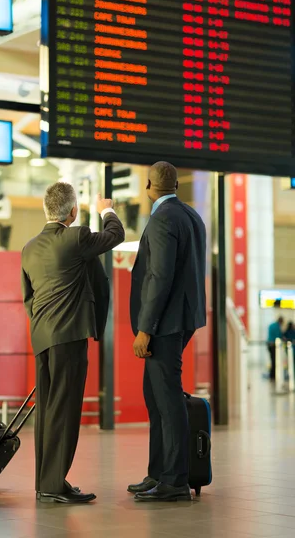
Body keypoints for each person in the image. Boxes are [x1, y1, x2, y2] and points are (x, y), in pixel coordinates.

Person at [21, 182, 125, 504]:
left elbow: (28, 299)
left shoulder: (28, 248)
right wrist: (106, 209)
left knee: (48, 412)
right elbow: (115, 235)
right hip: (69, 336)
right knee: (65, 412)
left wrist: (43, 326)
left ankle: (46, 481)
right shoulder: (76, 237)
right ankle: (53, 484)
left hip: (42, 338)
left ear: (46, 210)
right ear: (73, 211)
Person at [128, 161, 206, 502]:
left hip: (163, 323)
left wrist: (146, 328)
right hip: (183, 318)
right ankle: (157, 472)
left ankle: (174, 479)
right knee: (156, 396)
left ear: (149, 186)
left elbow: (159, 277)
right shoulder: (191, 216)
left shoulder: (162, 219)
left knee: (168, 399)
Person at [267, 316, 284, 381]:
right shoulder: (277, 327)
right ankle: (273, 375)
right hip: (274, 345)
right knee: (274, 361)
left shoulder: (271, 325)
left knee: (272, 360)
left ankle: (272, 375)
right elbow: (279, 335)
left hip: (269, 344)